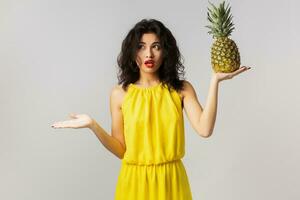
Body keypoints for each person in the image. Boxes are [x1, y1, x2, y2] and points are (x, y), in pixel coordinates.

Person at [51, 18, 251, 199]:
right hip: (134, 183)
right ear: (132, 52)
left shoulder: (180, 89)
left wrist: (215, 81)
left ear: (165, 51)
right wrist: (93, 125)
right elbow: (121, 150)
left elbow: (204, 129)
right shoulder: (120, 94)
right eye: (141, 47)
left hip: (171, 181)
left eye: (156, 46)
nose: (149, 53)